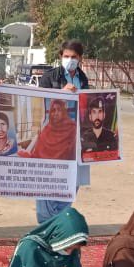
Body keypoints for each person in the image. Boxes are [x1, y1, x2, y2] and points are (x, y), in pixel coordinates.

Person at [36, 40, 91, 223]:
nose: (70, 60)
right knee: (47, 181)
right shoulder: (49, 77)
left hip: (73, 137)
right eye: (66, 56)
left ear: (80, 58)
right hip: (51, 137)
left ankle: (60, 220)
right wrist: (60, 92)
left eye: (74, 57)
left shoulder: (83, 79)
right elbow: (38, 103)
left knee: (71, 181)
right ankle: (46, 221)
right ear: (60, 57)